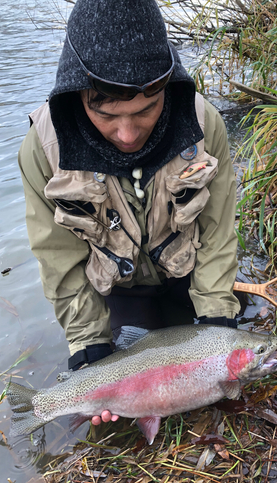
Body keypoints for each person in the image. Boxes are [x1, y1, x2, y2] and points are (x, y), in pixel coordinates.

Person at [18, 0, 241, 426]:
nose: (127, 133)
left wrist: (215, 319)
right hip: (117, 293)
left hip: (186, 277)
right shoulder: (42, 150)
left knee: (231, 336)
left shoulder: (203, 124)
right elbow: (58, 261)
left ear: (168, 87)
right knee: (111, 383)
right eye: (106, 114)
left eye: (145, 110)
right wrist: (89, 346)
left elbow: (217, 234)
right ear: (76, 92)